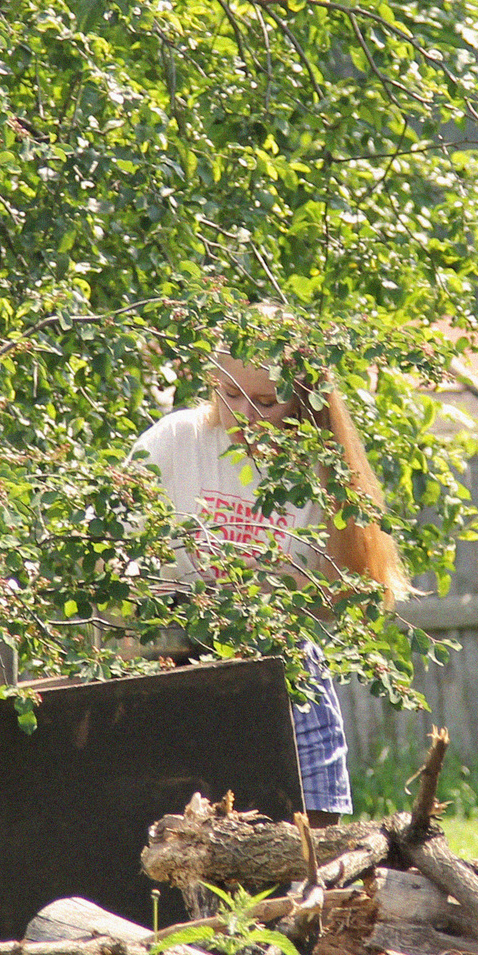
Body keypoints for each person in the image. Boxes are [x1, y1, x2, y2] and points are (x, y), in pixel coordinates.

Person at [133, 352, 410, 824]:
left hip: (281, 659)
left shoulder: (322, 466)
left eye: (265, 402)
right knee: (175, 824)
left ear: (303, 399)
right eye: (230, 394)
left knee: (313, 822)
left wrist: (265, 589)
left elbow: (353, 592)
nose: (244, 415)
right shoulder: (175, 441)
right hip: (173, 656)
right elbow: (115, 556)